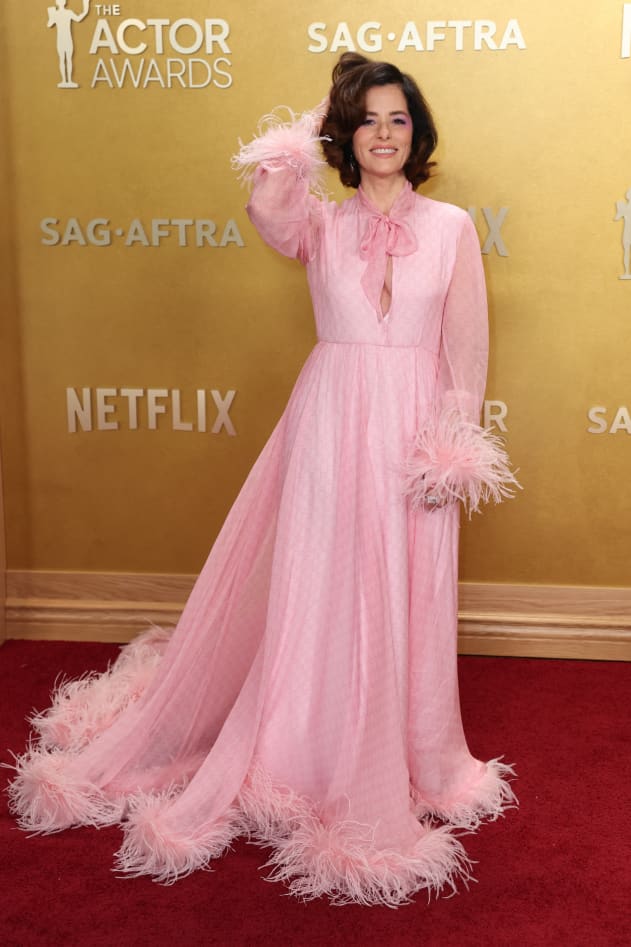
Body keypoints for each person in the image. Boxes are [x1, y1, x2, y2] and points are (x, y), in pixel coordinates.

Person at [8, 53, 518, 907]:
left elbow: (464, 350)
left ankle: (413, 751)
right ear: (344, 136)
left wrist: (451, 442)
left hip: (412, 429)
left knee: (407, 586)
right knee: (319, 583)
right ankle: (301, 747)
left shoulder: (454, 226)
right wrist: (323, 106)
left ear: (417, 134)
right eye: (366, 120)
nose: (383, 134)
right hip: (328, 421)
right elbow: (266, 197)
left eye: (397, 119)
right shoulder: (316, 223)